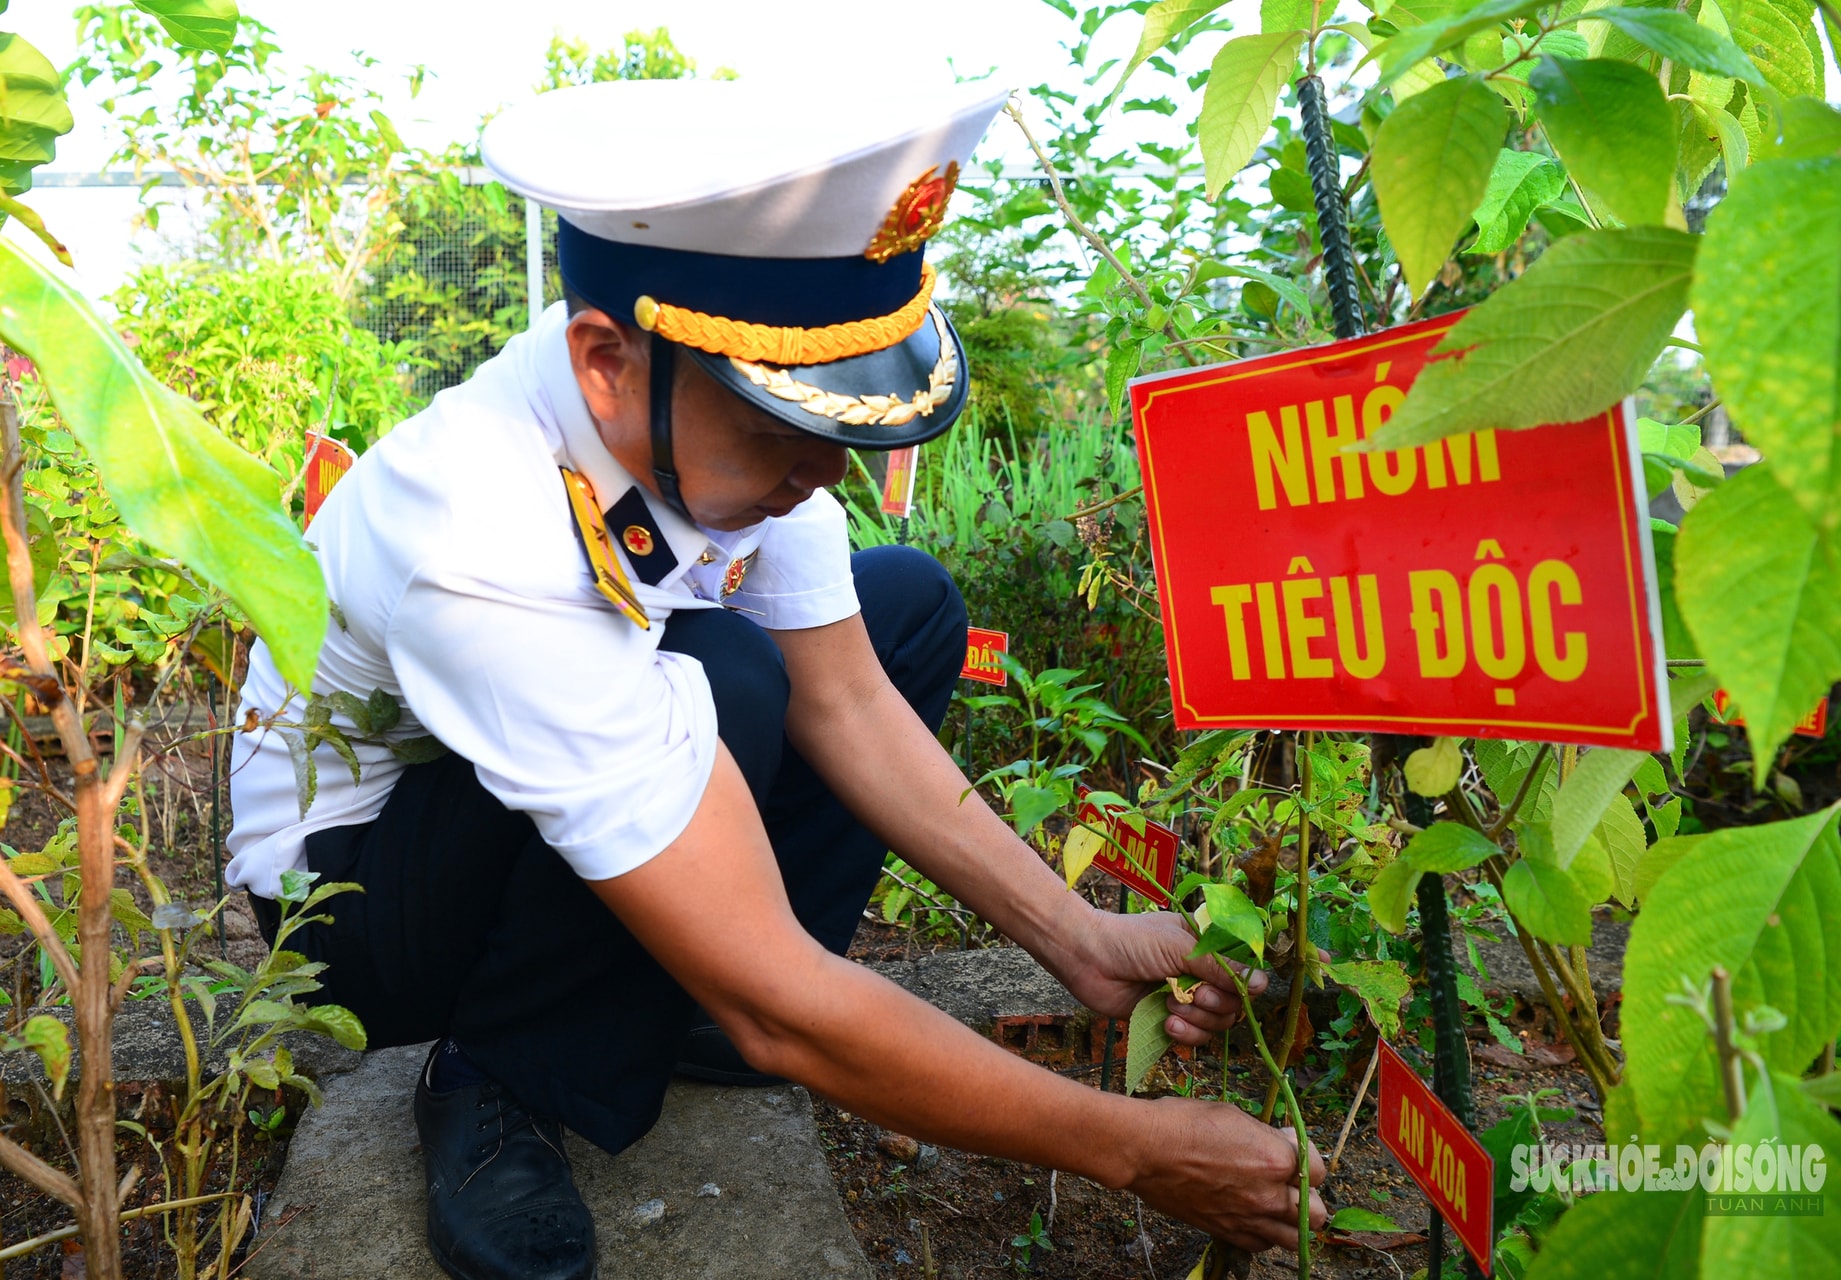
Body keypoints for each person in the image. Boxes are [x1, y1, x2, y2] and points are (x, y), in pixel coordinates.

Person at [225, 77, 1325, 1280]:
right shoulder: (480, 537)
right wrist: (1135, 1148)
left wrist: (1078, 936)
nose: (821, 472)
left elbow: (852, 699)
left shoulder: (710, 403)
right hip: (354, 902)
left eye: (840, 430)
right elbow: (782, 1000)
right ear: (604, 361)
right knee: (732, 678)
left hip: (523, 796)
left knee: (904, 606)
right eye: (782, 432)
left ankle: (683, 992)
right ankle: (496, 1077)